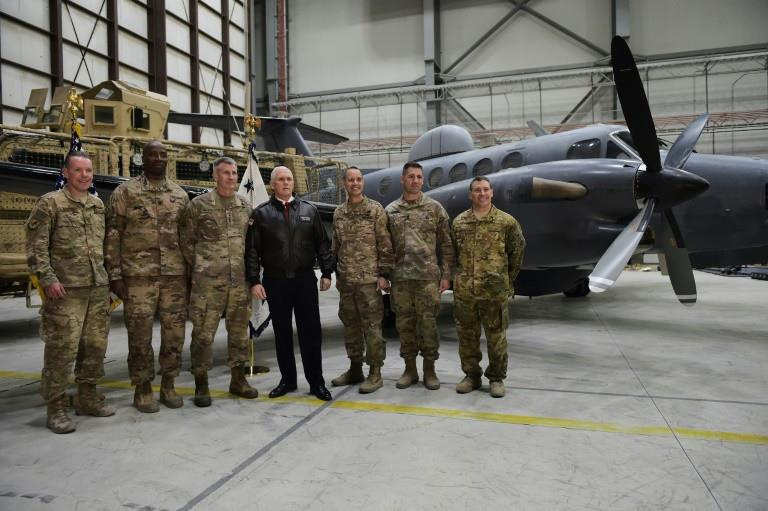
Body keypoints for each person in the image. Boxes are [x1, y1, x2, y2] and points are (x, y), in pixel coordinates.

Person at [26, 151, 114, 433]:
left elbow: (104, 247)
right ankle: (56, 407)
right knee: (61, 350)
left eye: (88, 170)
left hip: (97, 288)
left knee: (95, 347)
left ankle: (87, 398)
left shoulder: (98, 205)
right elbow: (36, 247)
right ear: (65, 173)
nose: (84, 175)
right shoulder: (50, 203)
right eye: (78, 170)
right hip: (65, 291)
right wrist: (48, 279)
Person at [105, 140, 189, 412]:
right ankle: (142, 388)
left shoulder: (180, 195)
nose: (158, 159)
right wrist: (115, 275)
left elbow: (187, 238)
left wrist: (190, 274)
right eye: (153, 155)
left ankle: (169, 384)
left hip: (174, 276)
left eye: (163, 155)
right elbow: (113, 235)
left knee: (174, 333)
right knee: (139, 334)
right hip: (137, 277)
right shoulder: (125, 192)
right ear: (143, 158)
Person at [245, 166, 335, 401]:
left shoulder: (309, 210)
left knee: (311, 333)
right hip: (275, 282)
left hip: (305, 281)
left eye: (289, 179)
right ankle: (288, 380)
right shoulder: (261, 214)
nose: (286, 183)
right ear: (272, 184)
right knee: (282, 333)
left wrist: (327, 272)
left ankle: (316, 382)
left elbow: (322, 244)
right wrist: (254, 280)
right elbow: (252, 250)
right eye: (281, 179)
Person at [179, 157, 260, 406]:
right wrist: (203, 266)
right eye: (225, 173)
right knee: (203, 335)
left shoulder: (244, 206)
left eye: (234, 173)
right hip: (207, 285)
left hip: (238, 283)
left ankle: (238, 379)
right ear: (215, 176)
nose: (231, 177)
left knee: (239, 334)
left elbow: (250, 244)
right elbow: (186, 241)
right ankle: (201, 383)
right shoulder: (198, 206)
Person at [451, 176, 525, 398]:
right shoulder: (459, 222)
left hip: (494, 291)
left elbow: (517, 252)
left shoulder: (506, 222)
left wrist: (505, 279)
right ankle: (471, 375)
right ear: (470, 194)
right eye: (477, 190)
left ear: (492, 192)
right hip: (465, 292)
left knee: (496, 337)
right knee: (467, 336)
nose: (481, 194)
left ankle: (496, 378)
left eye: (485, 189)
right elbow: (453, 255)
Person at [385, 161, 454, 390]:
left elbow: (446, 244)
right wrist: (384, 273)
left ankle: (430, 370)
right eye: (411, 176)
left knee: (428, 325)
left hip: (427, 278)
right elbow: (384, 246)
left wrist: (446, 274)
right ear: (403, 179)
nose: (415, 180)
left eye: (419, 177)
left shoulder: (435, 208)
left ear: (422, 180)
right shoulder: (391, 210)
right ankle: (410, 370)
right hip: (401, 279)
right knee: (404, 325)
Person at [330, 166, 394, 393]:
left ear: (363, 182)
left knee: (372, 329)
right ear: (344, 184)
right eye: (350, 180)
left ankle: (375, 372)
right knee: (351, 327)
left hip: (369, 282)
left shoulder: (375, 210)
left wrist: (384, 275)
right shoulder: (339, 213)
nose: (355, 183)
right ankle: (355, 368)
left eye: (358, 179)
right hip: (347, 282)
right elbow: (335, 246)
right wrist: (334, 273)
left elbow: (385, 245)